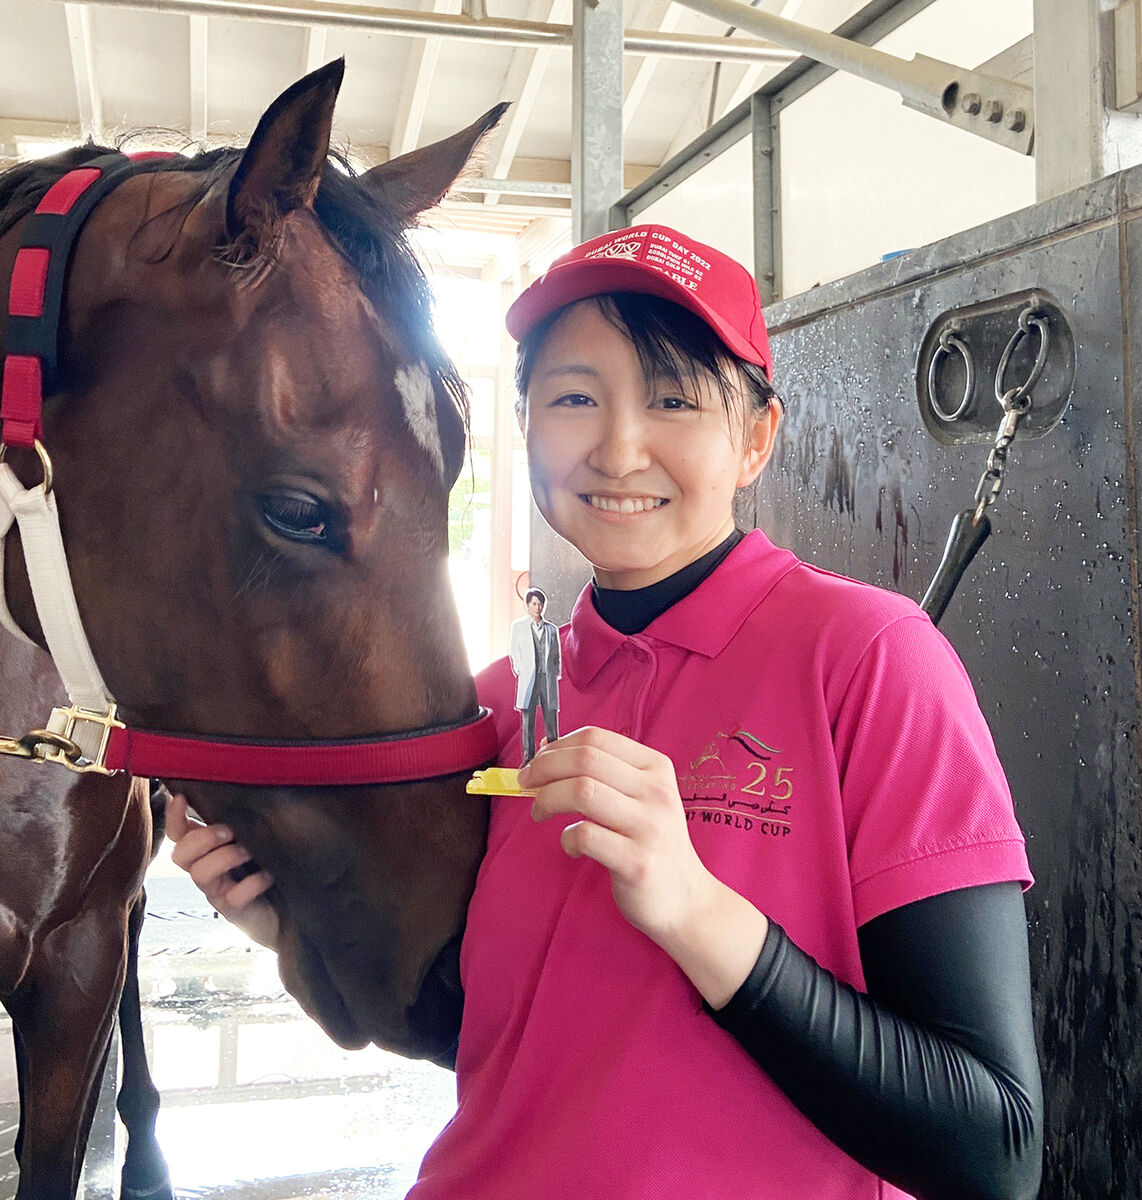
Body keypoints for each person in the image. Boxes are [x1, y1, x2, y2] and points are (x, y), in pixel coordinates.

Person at [168, 223, 1043, 1199]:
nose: (619, 449)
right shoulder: (496, 710)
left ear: (755, 439)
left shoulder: (868, 662)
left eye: (673, 400)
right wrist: (280, 921)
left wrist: (699, 914)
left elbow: (992, 1149)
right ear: (527, 428)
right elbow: (471, 1032)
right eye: (574, 398)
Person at [507, 585, 561, 763]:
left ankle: (553, 756)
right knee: (527, 720)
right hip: (529, 677)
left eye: (540, 604)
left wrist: (555, 673)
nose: (538, 607)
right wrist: (521, 670)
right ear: (528, 605)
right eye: (535, 603)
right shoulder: (519, 627)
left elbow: (555, 655)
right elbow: (515, 651)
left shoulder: (552, 629)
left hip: (547, 678)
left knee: (550, 717)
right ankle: (527, 758)